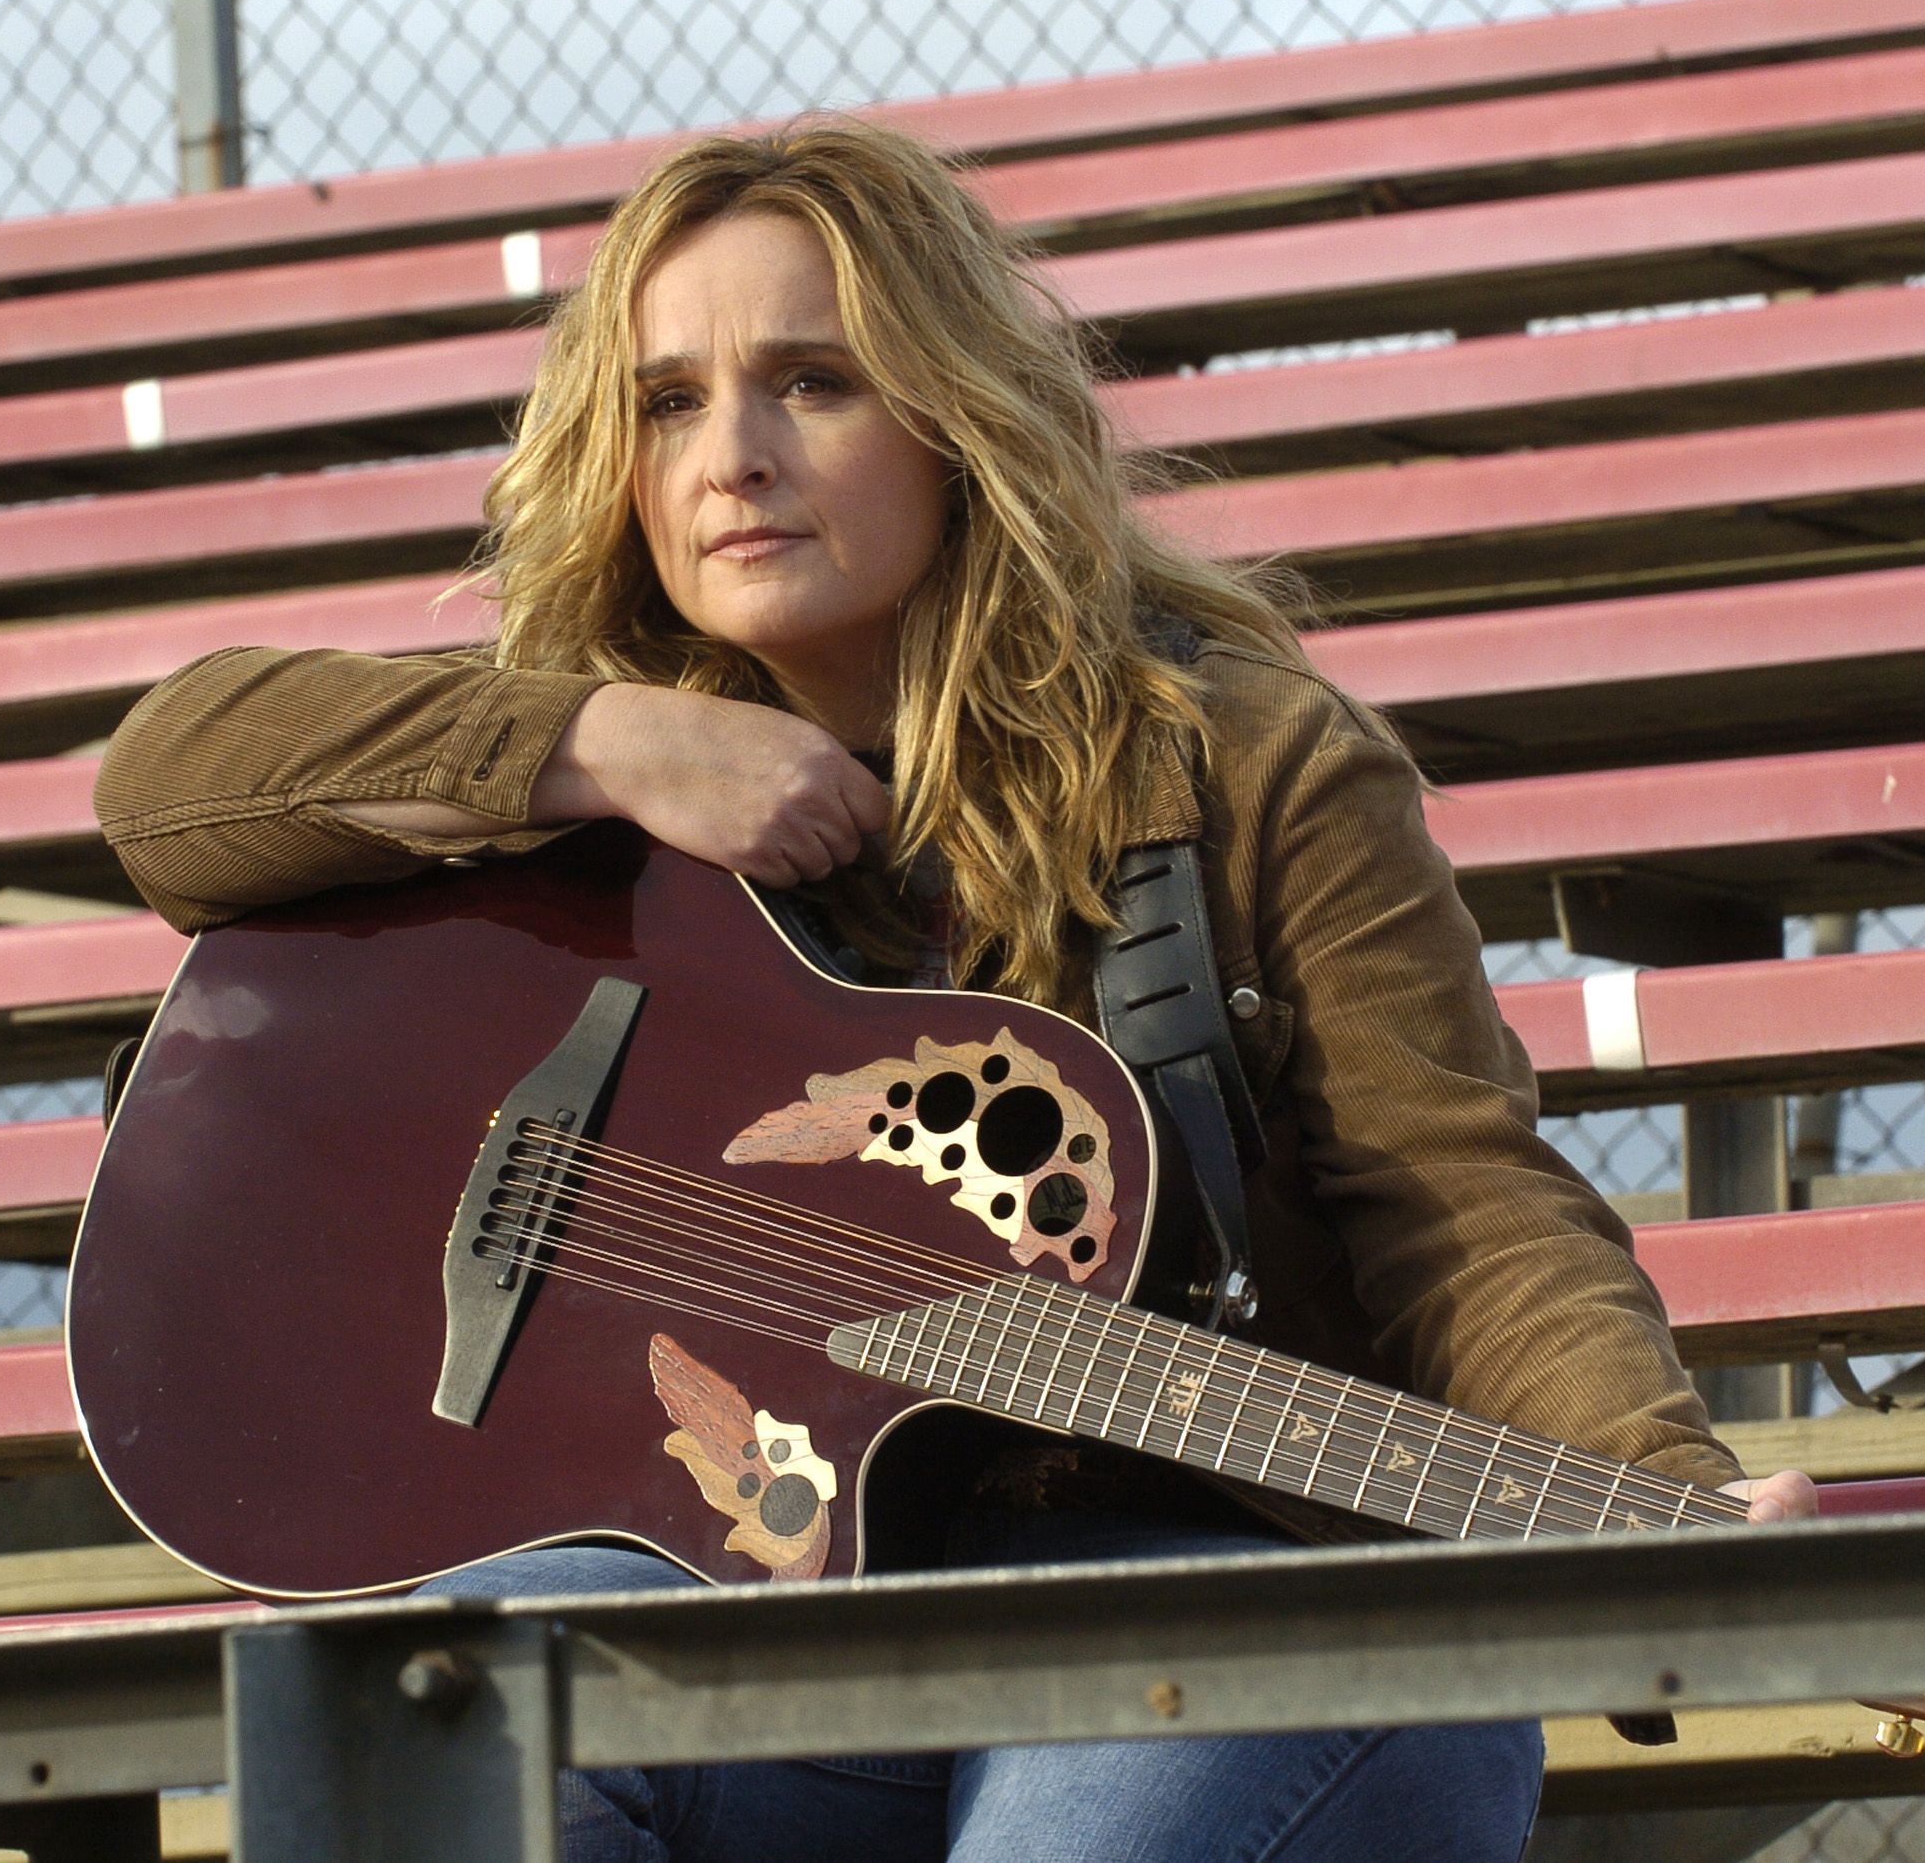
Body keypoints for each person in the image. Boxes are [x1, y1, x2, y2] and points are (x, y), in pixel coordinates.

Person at [95, 114, 1815, 1863]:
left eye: (813, 383)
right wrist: (606, 739)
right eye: (670, 400)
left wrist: (1663, 1502)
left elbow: (1457, 1205)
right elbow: (168, 783)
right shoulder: (579, 795)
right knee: (410, 1745)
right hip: (756, 1607)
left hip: (1221, 1606)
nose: (731, 459)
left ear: (954, 414)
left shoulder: (1245, 763)